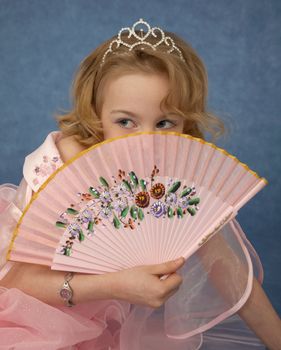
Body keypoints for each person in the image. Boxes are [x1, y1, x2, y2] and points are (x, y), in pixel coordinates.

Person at [0, 18, 280, 350]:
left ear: (185, 122)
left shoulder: (178, 174)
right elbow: (16, 284)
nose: (145, 141)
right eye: (125, 122)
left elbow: (227, 269)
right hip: (30, 317)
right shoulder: (64, 167)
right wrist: (115, 285)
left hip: (102, 321)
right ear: (97, 114)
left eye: (164, 123)